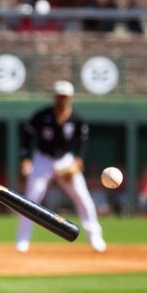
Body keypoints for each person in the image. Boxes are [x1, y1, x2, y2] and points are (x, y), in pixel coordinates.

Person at [14, 80, 107, 253]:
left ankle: (95, 237)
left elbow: (83, 141)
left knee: (82, 197)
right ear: (54, 97)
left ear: (70, 98)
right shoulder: (42, 116)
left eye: (65, 97)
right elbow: (26, 136)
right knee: (30, 198)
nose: (62, 100)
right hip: (43, 159)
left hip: (65, 160)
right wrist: (25, 158)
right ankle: (22, 240)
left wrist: (78, 160)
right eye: (59, 96)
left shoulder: (76, 119)